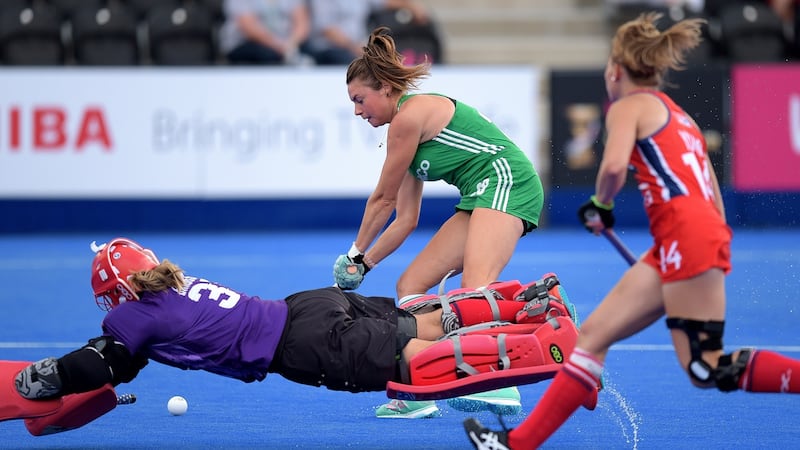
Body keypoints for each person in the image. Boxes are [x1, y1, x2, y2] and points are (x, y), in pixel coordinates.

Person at [463, 12, 800, 450]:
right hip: (690, 237)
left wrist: (600, 205)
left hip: (685, 238)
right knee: (593, 338)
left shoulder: (626, 106)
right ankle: (518, 443)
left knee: (706, 366)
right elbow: (712, 194)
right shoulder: (680, 116)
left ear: (615, 69)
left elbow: (615, 166)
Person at [4, 237, 580, 434]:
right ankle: (523, 307)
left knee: (415, 361)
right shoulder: (173, 285)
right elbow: (125, 363)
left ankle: (532, 346)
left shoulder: (131, 314)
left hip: (300, 346)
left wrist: (46, 376)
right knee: (423, 320)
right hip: (309, 305)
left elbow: (100, 364)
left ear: (113, 293)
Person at [331, 27, 546, 418]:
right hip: (479, 194)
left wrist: (354, 252)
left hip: (507, 181)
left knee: (473, 288)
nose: (358, 111)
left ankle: (503, 384)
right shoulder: (404, 129)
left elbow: (382, 200)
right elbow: (405, 220)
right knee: (410, 285)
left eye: (360, 100)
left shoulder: (409, 118)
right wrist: (364, 265)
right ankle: (423, 387)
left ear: (384, 89)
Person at [304, 0, 429, 65]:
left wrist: (411, 7)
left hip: (357, 48)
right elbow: (326, 30)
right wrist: (354, 47)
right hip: (328, 49)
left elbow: (386, 2)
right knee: (365, 66)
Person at [219, 0, 313, 65]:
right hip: (246, 43)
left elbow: (302, 22)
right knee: (269, 56)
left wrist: (291, 43)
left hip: (287, 45)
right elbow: (249, 28)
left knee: (313, 53)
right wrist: (280, 46)